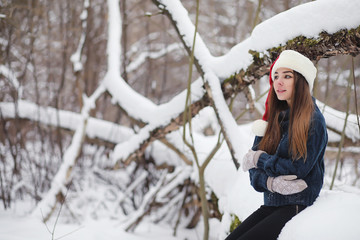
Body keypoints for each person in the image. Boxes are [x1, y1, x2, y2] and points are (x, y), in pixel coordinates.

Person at [225, 50, 328, 240]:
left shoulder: (313, 120)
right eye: (276, 76)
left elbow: (297, 169)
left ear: (301, 81)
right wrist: (271, 183)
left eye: (287, 76)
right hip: (271, 203)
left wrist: (260, 159)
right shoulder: (272, 119)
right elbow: (253, 172)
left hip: (296, 205)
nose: (278, 82)